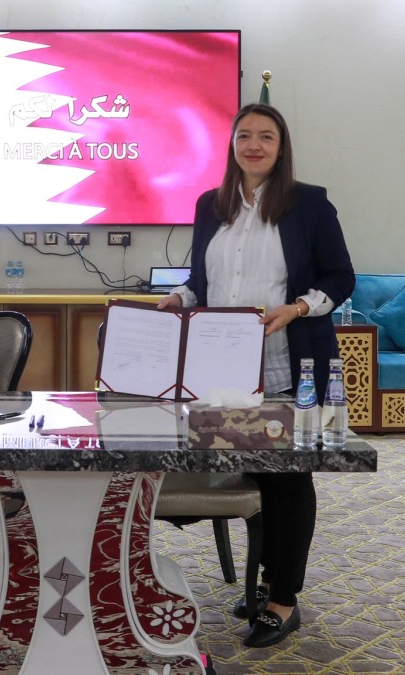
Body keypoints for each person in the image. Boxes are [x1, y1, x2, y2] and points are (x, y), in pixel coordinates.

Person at [156, 103, 354, 648]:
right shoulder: (210, 204)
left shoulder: (309, 204)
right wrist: (176, 298)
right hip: (221, 367)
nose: (255, 145)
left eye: (267, 137)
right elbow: (202, 281)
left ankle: (283, 600)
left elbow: (342, 277)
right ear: (232, 145)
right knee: (253, 472)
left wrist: (297, 308)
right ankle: (264, 585)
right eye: (245, 136)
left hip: (287, 363)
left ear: (281, 146)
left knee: (287, 479)